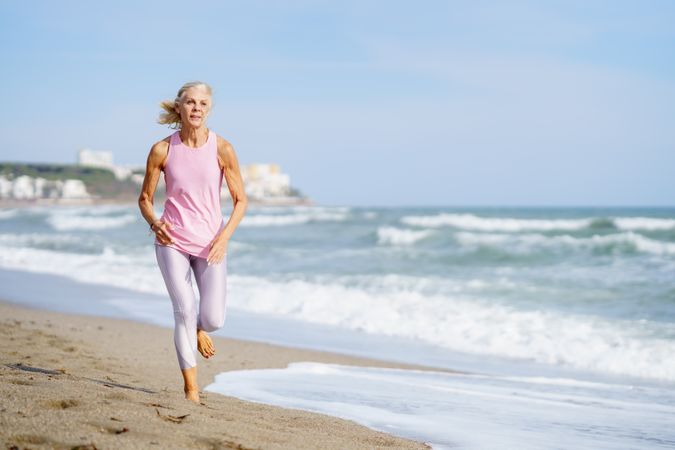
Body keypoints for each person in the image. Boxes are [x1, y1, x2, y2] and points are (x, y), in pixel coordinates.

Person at [138, 81, 248, 403]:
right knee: (184, 309)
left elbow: (241, 200)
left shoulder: (222, 148)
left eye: (202, 103)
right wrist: (155, 222)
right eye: (190, 103)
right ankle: (191, 390)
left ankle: (198, 328)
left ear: (209, 109)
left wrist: (224, 238)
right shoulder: (163, 149)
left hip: (210, 242)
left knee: (213, 318)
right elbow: (145, 199)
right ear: (179, 107)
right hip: (172, 239)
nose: (196, 108)